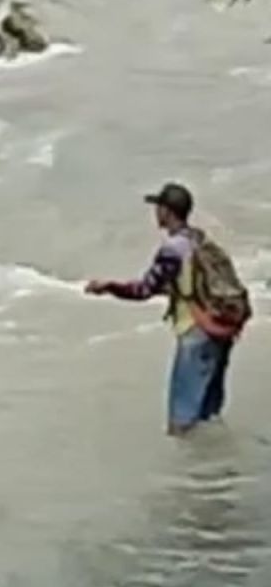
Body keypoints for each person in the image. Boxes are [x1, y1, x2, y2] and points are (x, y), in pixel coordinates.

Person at [85, 183, 244, 436]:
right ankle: (216, 471)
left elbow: (144, 290)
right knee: (208, 418)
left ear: (167, 212)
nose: (155, 213)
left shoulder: (172, 249)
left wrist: (109, 286)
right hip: (219, 330)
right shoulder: (199, 240)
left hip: (195, 332)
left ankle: (185, 472)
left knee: (182, 423)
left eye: (158, 207)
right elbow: (186, 286)